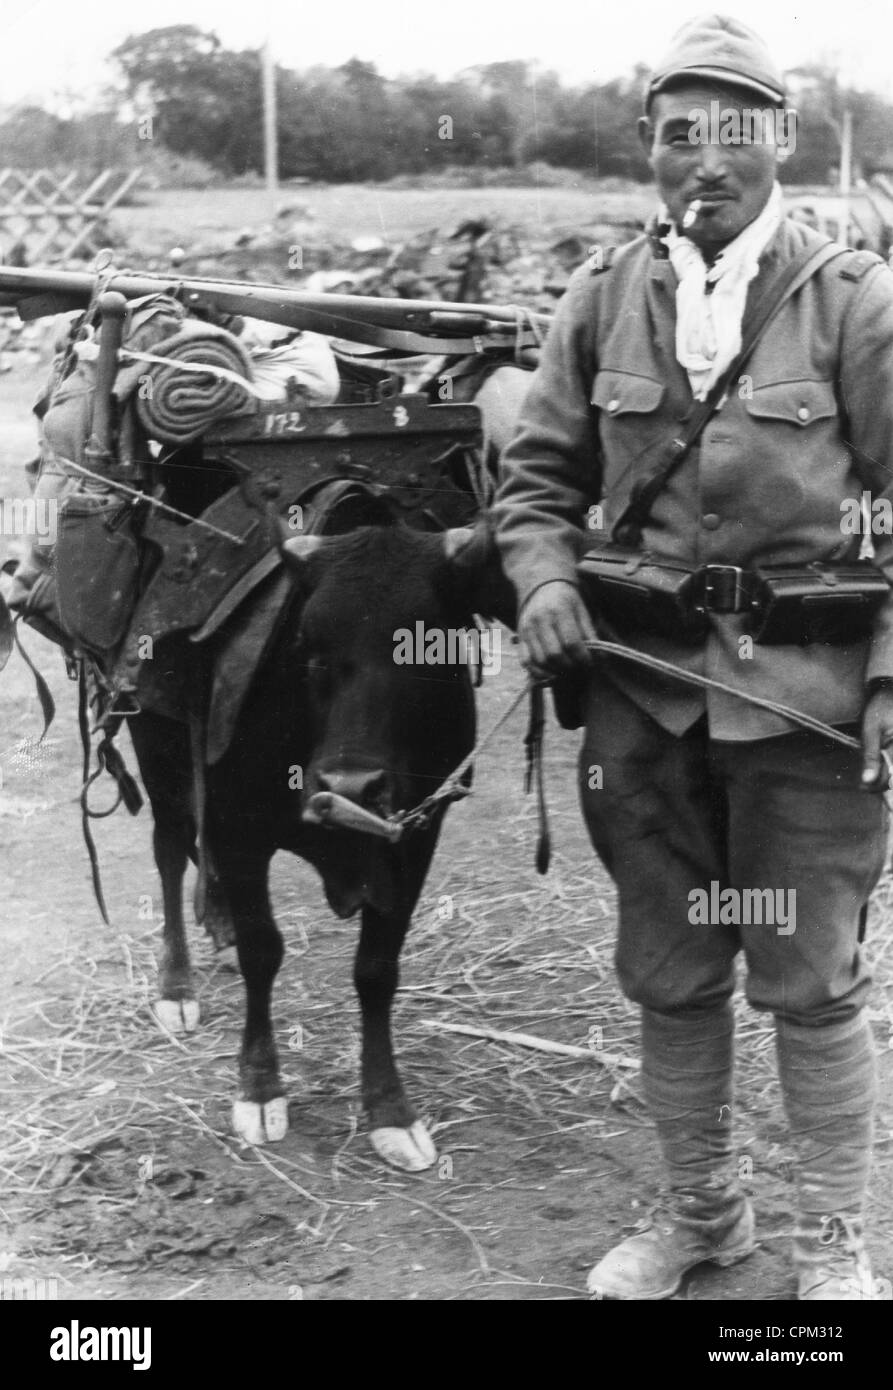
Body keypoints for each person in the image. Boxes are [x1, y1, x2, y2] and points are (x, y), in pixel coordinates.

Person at [494, 14, 893, 1301]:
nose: (703, 164)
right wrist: (545, 578)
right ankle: (701, 1219)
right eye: (678, 138)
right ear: (651, 152)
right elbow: (536, 479)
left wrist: (888, 679)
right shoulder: (602, 296)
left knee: (808, 981)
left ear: (777, 140)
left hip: (807, 710)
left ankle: (828, 1237)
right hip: (643, 702)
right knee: (668, 975)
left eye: (732, 135)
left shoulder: (852, 301)